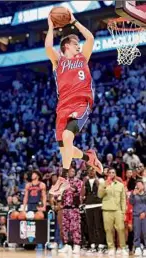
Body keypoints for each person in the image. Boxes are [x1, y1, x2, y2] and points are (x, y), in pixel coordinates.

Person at [45, 10, 103, 178]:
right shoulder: (58, 62)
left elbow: (90, 38)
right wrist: (50, 25)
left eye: (78, 42)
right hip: (63, 106)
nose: (78, 44)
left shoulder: (83, 58)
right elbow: (49, 47)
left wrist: (74, 21)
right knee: (65, 149)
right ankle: (88, 157)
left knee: (68, 135)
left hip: (81, 103)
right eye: (75, 42)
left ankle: (63, 177)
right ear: (66, 46)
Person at [98, 168, 128, 256]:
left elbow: (123, 199)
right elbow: (100, 195)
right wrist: (105, 186)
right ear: (107, 174)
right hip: (107, 210)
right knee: (108, 230)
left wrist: (123, 212)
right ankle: (111, 248)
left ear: (115, 174)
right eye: (110, 172)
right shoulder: (103, 184)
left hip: (118, 210)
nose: (111, 174)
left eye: (113, 172)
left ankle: (122, 247)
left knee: (121, 229)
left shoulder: (120, 185)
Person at [81, 167, 107, 254]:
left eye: (93, 170)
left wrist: (97, 181)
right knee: (90, 226)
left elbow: (102, 192)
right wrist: (84, 183)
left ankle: (101, 244)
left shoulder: (101, 180)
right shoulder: (85, 181)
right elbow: (82, 194)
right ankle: (92, 244)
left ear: (96, 171)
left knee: (98, 225)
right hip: (88, 205)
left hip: (98, 204)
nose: (91, 172)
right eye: (89, 170)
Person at [58, 168, 82, 254]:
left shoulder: (78, 181)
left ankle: (77, 245)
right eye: (70, 171)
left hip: (74, 208)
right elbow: (59, 194)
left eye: (73, 171)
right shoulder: (63, 182)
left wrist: (68, 186)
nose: (71, 172)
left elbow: (77, 191)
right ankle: (67, 245)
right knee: (65, 227)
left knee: (75, 227)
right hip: (65, 207)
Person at [129, 180, 146, 256]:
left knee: (145, 232)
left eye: (140, 184)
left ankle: (145, 248)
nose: (138, 186)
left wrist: (145, 212)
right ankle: (137, 247)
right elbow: (131, 202)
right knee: (137, 232)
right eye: (137, 184)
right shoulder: (134, 193)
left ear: (143, 186)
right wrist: (133, 195)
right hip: (136, 215)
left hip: (145, 215)